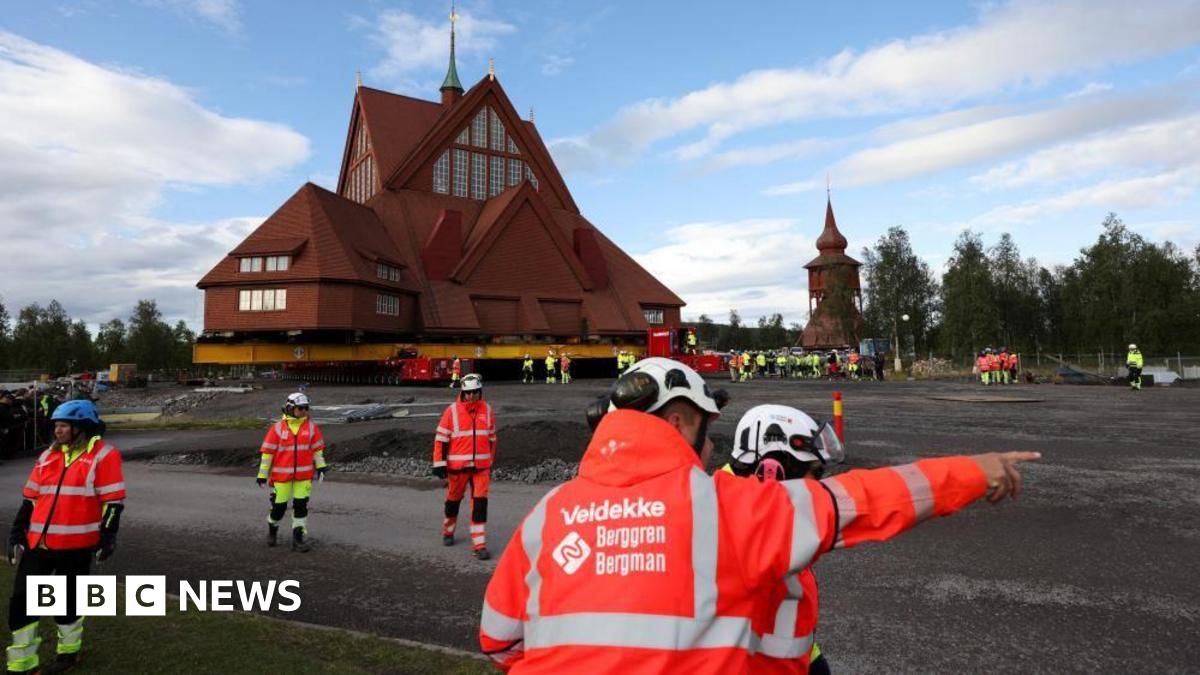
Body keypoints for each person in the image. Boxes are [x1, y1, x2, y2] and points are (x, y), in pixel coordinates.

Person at [479, 358, 1038, 672]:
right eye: (705, 426)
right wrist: (973, 471)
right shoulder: (728, 509)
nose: (710, 446)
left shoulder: (547, 515)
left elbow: (499, 642)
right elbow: (866, 499)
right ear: (677, 423)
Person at [725, 404, 845, 673]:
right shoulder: (732, 525)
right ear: (772, 469)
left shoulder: (765, 509)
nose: (818, 486)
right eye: (814, 473)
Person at [7, 400, 125, 674]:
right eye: (56, 425)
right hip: (39, 544)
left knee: (68, 602)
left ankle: (68, 654)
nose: (57, 430)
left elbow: (113, 502)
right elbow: (30, 498)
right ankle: (22, 665)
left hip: (77, 546)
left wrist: (108, 536)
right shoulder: (48, 455)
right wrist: (17, 532)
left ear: (80, 427)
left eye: (63, 425)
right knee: (22, 602)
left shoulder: (104, 455)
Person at [432, 374, 496, 560]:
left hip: (481, 468)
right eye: (468, 393)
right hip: (457, 468)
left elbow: (492, 439)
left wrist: (489, 462)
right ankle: (448, 530)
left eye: (475, 392)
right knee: (453, 501)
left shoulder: (488, 410)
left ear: (480, 391)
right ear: (463, 392)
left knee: (480, 505)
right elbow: (441, 440)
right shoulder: (451, 412)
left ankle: (479, 545)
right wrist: (439, 464)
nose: (471, 396)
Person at [257, 392, 327, 552]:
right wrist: (262, 475)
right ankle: (272, 528)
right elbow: (267, 454)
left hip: (303, 477)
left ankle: (298, 539)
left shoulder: (311, 428)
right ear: (290, 408)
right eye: (300, 408)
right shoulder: (277, 429)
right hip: (282, 478)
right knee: (279, 508)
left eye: (306, 408)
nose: (304, 411)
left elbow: (317, 451)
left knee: (301, 506)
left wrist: (321, 466)